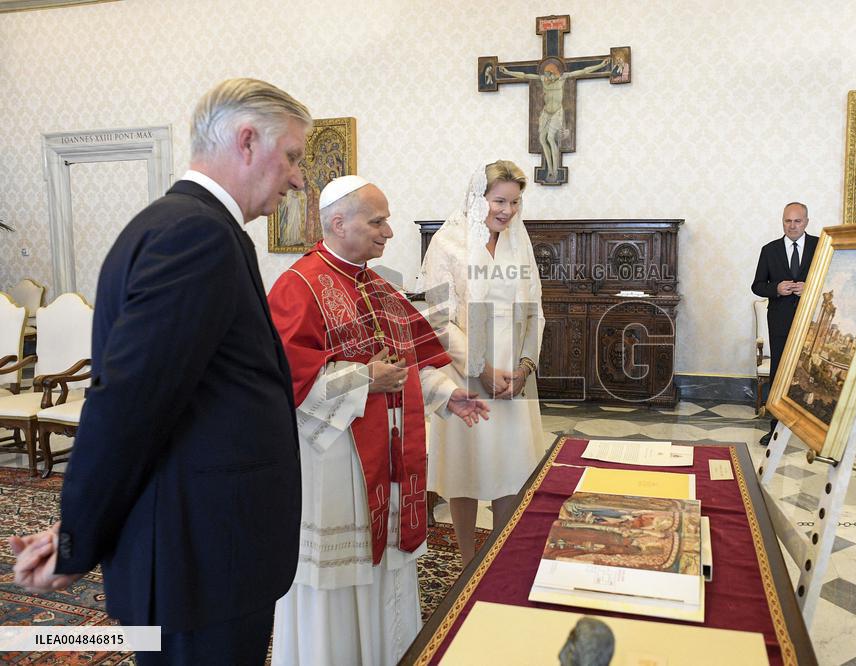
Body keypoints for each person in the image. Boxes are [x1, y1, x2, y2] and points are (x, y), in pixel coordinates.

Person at [9, 78, 311, 663]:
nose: (298, 178)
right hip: (200, 559)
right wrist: (75, 538)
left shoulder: (185, 225)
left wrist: (81, 527)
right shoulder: (198, 235)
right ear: (247, 140)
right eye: (293, 156)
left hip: (200, 550)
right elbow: (128, 405)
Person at [267, 175, 490, 665]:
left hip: (390, 464)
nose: (388, 231)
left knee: (388, 566)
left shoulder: (383, 289)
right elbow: (284, 380)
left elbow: (410, 365)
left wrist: (448, 394)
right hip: (335, 464)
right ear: (338, 223)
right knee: (339, 579)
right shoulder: (298, 287)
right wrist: (363, 378)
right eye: (378, 221)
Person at [421, 160, 547, 566]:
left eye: (514, 202)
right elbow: (439, 319)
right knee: (466, 468)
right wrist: (481, 369)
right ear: (478, 198)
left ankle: (500, 555)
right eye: (499, 201)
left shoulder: (518, 243)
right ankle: (467, 558)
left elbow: (534, 307)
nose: (507, 211)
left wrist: (525, 366)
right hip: (465, 372)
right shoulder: (447, 244)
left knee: (510, 466)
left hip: (513, 376)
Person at [751, 202, 818, 445]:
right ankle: (775, 429)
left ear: (806, 222)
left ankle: (813, 431)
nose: (792, 226)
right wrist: (776, 289)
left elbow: (834, 280)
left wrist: (810, 288)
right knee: (780, 373)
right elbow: (757, 285)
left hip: (812, 320)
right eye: (787, 221)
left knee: (811, 373)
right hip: (779, 321)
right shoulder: (770, 250)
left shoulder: (821, 246)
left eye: (797, 221)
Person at [499, 60, 609, 182]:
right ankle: (550, 169)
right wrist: (507, 72)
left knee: (551, 138)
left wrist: (601, 65)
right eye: (545, 74)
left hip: (557, 112)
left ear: (554, 73)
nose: (546, 77)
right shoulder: (543, 79)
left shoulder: (562, 78)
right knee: (542, 139)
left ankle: (554, 171)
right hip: (546, 113)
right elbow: (525, 76)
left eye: (549, 74)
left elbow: (582, 71)